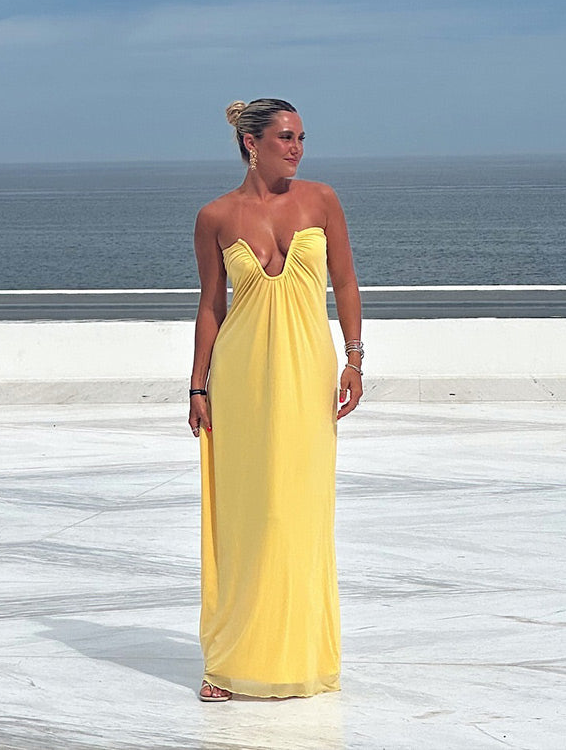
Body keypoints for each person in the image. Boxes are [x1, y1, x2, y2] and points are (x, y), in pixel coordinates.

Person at [188, 98, 363, 701]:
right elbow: (212, 306)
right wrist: (197, 384)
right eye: (286, 137)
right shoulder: (215, 216)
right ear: (251, 143)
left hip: (308, 374)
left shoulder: (322, 201)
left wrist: (355, 357)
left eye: (302, 138)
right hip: (240, 379)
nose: (297, 149)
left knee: (300, 512)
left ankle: (301, 653)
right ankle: (229, 660)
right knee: (247, 514)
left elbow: (345, 281)